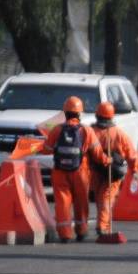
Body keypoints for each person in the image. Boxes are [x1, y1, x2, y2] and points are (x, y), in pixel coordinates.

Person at [42, 96, 102, 242]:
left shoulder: (57, 130)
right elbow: (97, 153)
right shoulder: (86, 130)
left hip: (60, 172)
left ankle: (65, 234)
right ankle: (82, 231)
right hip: (81, 172)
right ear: (80, 113)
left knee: (62, 202)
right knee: (81, 202)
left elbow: (47, 150)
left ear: (65, 112)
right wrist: (109, 161)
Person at [89, 101, 138, 239]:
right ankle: (103, 226)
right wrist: (135, 170)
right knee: (106, 198)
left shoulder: (91, 132)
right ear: (112, 116)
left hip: (95, 171)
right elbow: (131, 155)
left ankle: (103, 225)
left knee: (100, 198)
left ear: (97, 115)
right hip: (113, 172)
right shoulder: (119, 134)